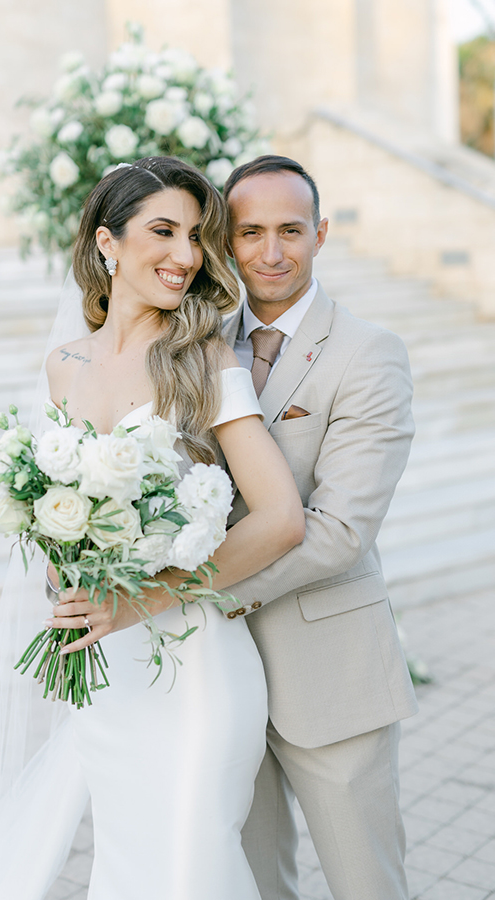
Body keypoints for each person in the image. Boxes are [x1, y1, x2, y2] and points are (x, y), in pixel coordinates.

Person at [0, 157, 304, 900]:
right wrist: (68, 579)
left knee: (193, 867)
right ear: (107, 243)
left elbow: (282, 519)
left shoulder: (203, 357)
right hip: (109, 678)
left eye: (196, 236)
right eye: (163, 231)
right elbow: (60, 508)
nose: (187, 255)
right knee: (129, 869)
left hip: (193, 668)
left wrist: (138, 601)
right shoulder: (64, 364)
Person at [218, 155, 419, 900]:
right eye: (251, 232)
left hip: (329, 672)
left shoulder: (369, 354)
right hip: (220, 683)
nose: (272, 252)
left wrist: (194, 595)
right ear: (226, 242)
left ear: (321, 233)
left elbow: (339, 530)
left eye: (291, 230)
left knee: (367, 885)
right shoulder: (197, 347)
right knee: (253, 880)